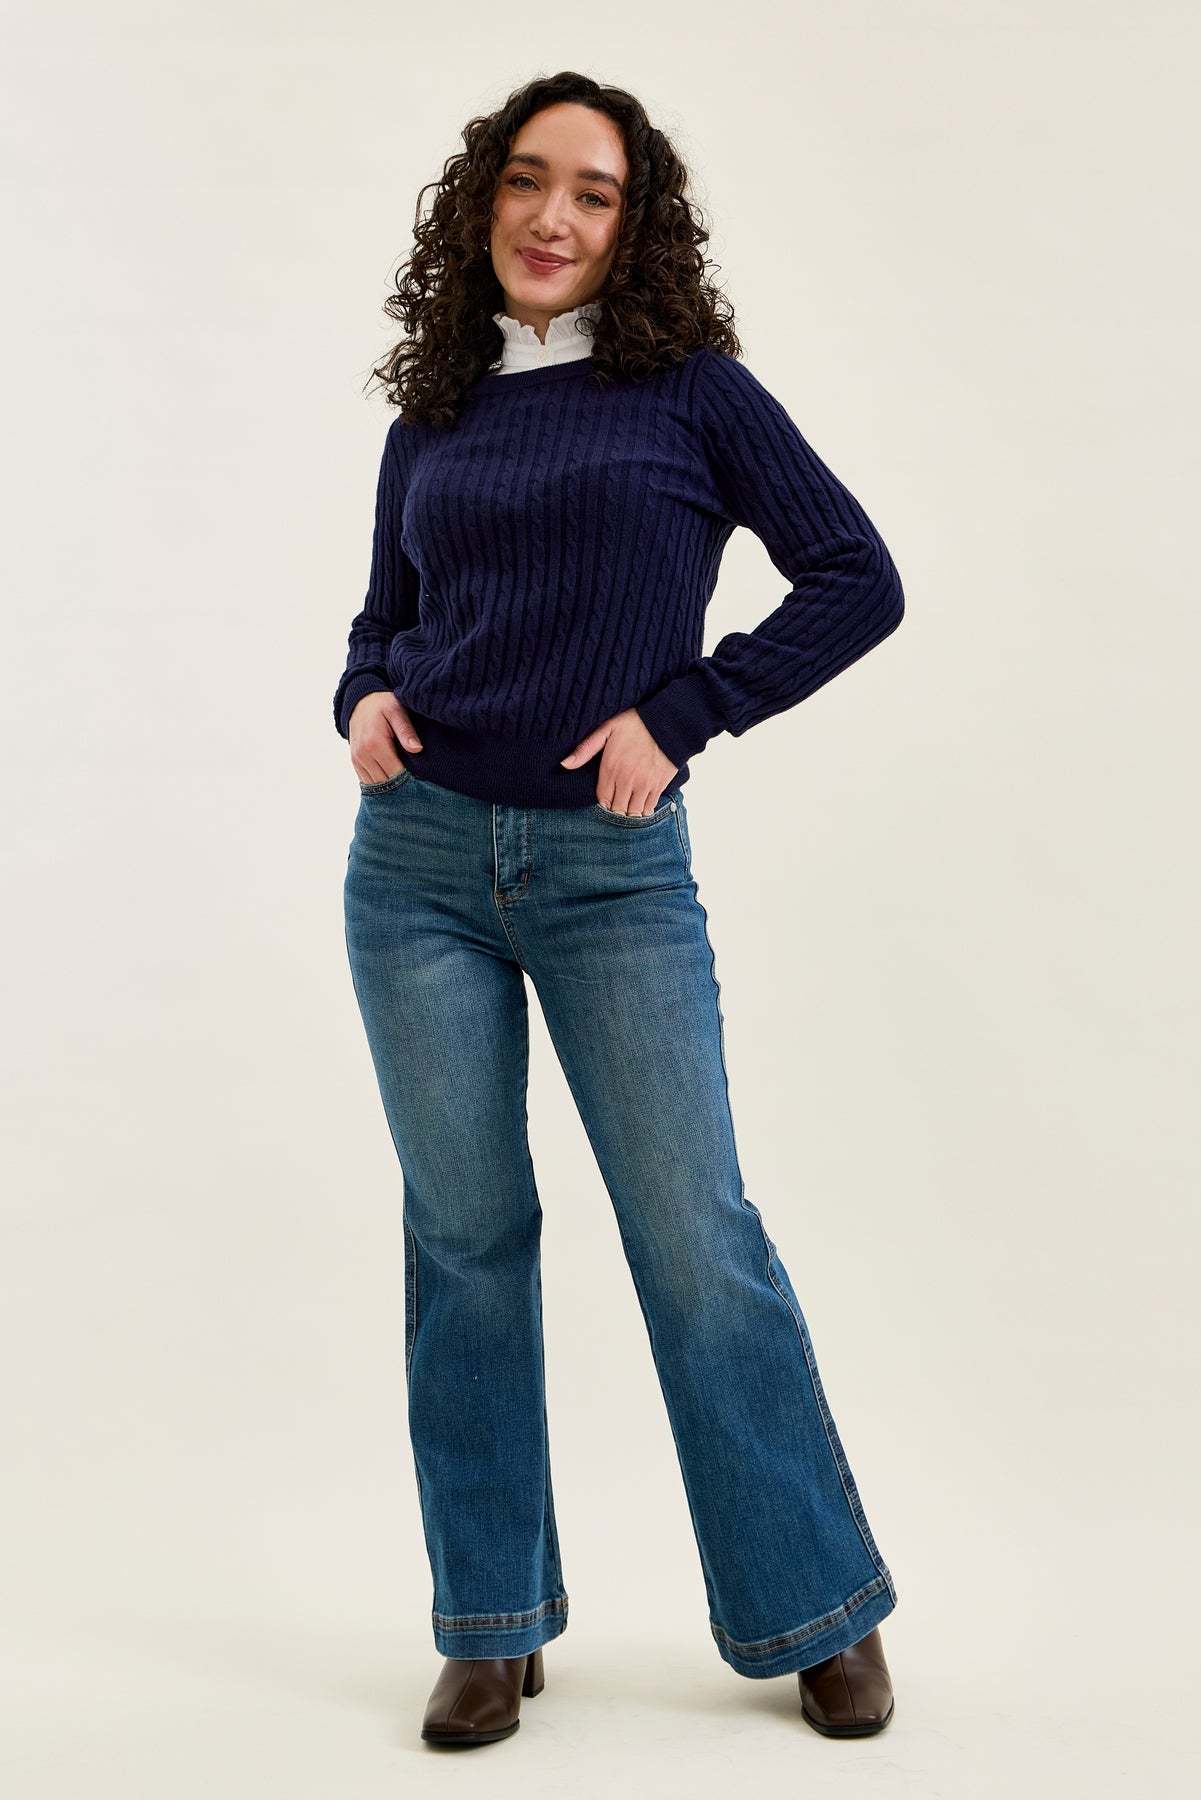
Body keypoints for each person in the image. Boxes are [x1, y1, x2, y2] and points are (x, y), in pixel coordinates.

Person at [333, 72, 905, 1750]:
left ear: (632, 226)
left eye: (591, 192)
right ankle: (488, 1622)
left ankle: (815, 1610)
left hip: (607, 876)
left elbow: (855, 577)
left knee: (693, 1238)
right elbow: (382, 617)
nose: (552, 216)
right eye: (526, 181)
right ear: (481, 202)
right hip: (416, 869)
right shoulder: (437, 410)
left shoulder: (693, 394)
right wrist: (361, 697)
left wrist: (688, 710)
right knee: (463, 1243)